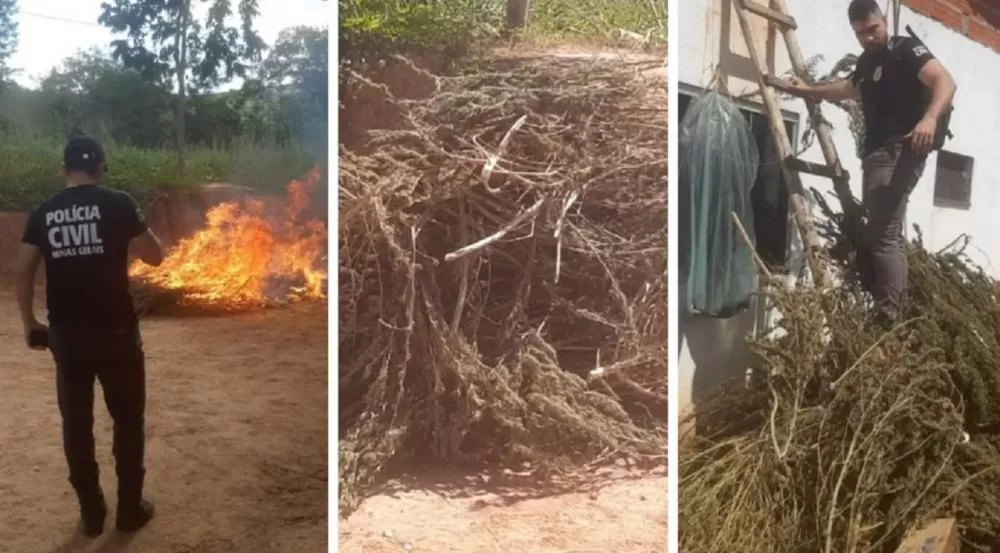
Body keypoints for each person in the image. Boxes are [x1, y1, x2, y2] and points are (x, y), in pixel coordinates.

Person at [13, 136, 165, 537]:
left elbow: (24, 270)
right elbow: (155, 256)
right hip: (116, 332)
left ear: (64, 169)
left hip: (67, 335)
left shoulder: (44, 212)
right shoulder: (118, 203)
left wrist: (29, 321)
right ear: (101, 168)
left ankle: (93, 512)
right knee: (128, 421)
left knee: (76, 423)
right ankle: (130, 510)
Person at [778, 0, 957, 324]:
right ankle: (886, 298)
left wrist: (930, 118)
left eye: (873, 30)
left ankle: (889, 316)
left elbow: (945, 81)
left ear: (884, 20)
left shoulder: (906, 50)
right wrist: (809, 90)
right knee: (880, 230)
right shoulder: (867, 61)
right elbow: (849, 88)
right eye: (861, 34)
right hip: (875, 156)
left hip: (902, 150)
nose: (869, 38)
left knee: (884, 232)